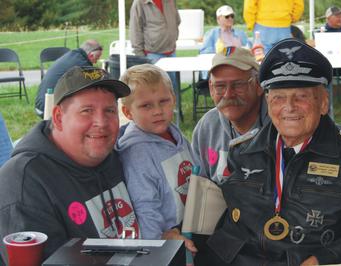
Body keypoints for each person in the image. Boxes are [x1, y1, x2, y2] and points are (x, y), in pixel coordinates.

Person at [206, 39, 341, 265]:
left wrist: (322, 258)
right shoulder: (243, 152)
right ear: (268, 103)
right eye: (279, 97)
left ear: (324, 102)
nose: (289, 107)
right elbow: (226, 226)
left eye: (301, 96)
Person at [0, 66, 140, 262]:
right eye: (86, 111)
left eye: (109, 110)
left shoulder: (116, 155)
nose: (101, 122)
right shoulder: (24, 185)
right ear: (58, 117)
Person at [116, 64, 197, 253]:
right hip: (166, 241)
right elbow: (144, 204)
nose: (157, 111)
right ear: (128, 112)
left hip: (190, 226)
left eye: (164, 101)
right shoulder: (137, 152)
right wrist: (156, 247)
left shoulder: (175, 134)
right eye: (146, 105)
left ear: (174, 100)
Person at [192, 47, 269, 184]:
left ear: (259, 85)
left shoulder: (280, 124)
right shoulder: (207, 126)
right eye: (220, 86)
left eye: (238, 85)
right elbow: (198, 186)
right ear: (211, 88)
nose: (228, 94)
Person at [35, 39, 103, 117]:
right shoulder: (82, 64)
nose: (95, 62)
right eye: (96, 58)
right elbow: (92, 88)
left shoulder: (72, 55)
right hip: (48, 108)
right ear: (90, 55)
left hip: (40, 104)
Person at [129, 0, 180, 90]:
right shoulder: (140, 2)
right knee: (155, 89)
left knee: (172, 88)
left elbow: (177, 20)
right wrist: (140, 55)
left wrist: (173, 37)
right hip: (152, 54)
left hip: (171, 51)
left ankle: (174, 104)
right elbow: (135, 29)